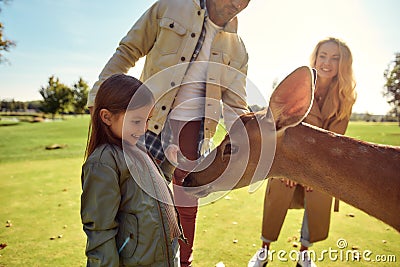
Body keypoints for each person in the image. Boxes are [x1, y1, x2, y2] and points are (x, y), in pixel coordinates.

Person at [87, 1, 251, 266]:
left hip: (193, 134)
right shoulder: (171, 6)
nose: (237, 3)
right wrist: (99, 94)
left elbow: (237, 104)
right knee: (131, 200)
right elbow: (129, 48)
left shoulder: (238, 48)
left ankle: (181, 263)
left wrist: (252, 138)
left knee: (186, 206)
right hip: (147, 122)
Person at [248, 37, 357, 267]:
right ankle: (263, 250)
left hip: (320, 163)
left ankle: (304, 253)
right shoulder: (300, 85)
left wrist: (314, 174)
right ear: (315, 58)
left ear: (343, 65)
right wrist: (292, 170)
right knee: (278, 189)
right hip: (288, 157)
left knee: (321, 192)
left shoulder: (346, 97)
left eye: (335, 58)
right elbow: (284, 131)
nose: (327, 62)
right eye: (323, 56)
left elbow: (334, 142)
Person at [81, 74, 184, 266]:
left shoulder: (138, 149)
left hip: (165, 257)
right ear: (107, 117)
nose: (144, 129)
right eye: (136, 121)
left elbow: (149, 193)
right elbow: (100, 232)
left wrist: (168, 166)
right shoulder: (104, 162)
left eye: (147, 120)